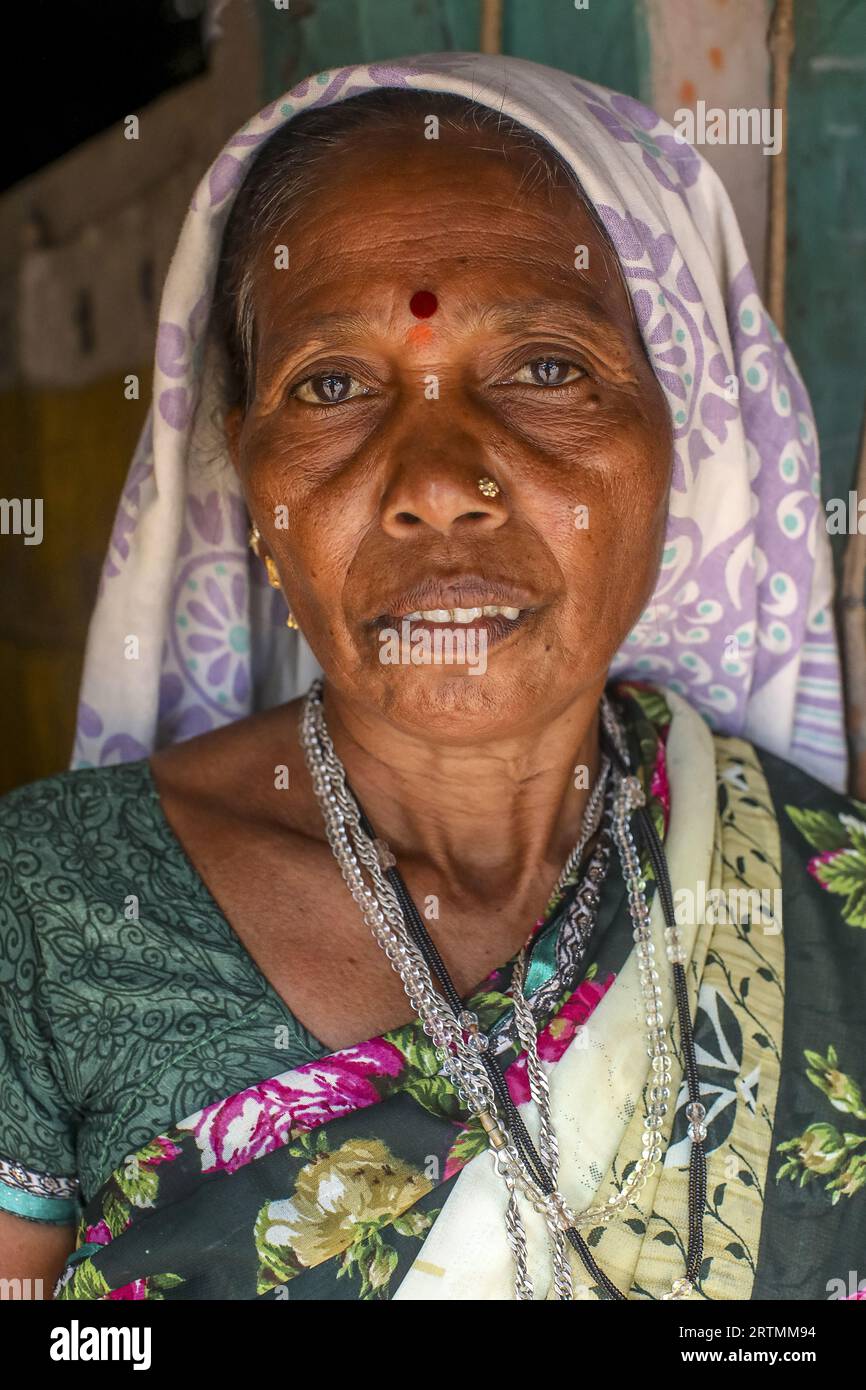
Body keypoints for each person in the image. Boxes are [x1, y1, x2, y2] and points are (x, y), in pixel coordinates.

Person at [1, 54, 863, 1303]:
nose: (435, 482)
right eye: (334, 386)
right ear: (246, 474)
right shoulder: (44, 911)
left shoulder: (828, 909)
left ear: (679, 431)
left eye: (544, 369)